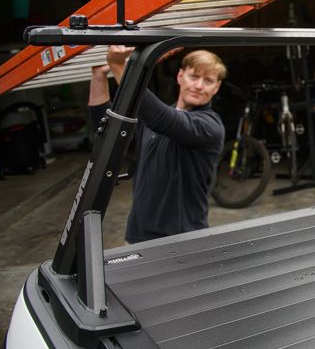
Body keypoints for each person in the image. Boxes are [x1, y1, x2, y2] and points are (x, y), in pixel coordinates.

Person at [89, 45, 226, 244]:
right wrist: (99, 76)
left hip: (183, 240)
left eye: (208, 81)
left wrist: (120, 67)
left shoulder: (210, 126)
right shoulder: (152, 121)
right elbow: (106, 132)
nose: (198, 85)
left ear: (216, 87)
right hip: (136, 235)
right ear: (180, 76)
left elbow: (162, 119)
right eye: (194, 76)